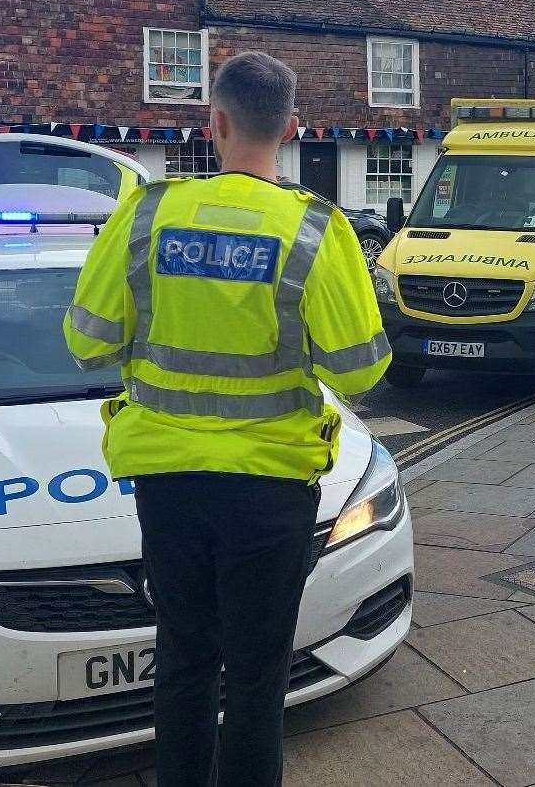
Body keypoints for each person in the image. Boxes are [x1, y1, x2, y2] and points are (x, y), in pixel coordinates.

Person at [63, 52, 390, 787]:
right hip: (271, 488)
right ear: (293, 130)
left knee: (182, 661)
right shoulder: (314, 227)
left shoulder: (146, 211)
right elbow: (360, 369)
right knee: (256, 677)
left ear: (213, 122)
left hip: (169, 480)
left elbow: (86, 341)